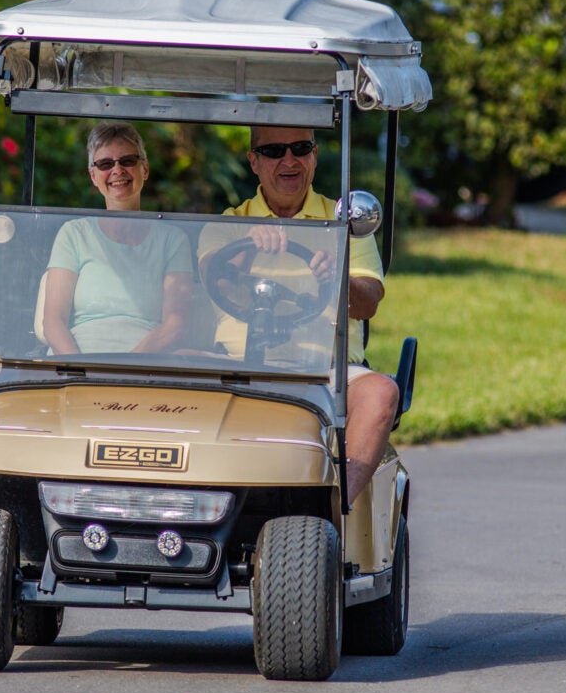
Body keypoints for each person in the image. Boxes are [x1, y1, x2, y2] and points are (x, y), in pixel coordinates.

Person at [202, 124, 400, 506]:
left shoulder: (344, 222)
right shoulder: (230, 221)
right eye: (275, 151)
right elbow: (213, 279)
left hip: (326, 366)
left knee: (381, 392)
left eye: (300, 148)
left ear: (314, 155)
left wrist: (335, 277)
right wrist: (249, 247)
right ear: (254, 162)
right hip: (235, 363)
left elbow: (369, 302)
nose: (288, 160)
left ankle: (334, 509)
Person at [41, 122, 193, 355]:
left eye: (128, 161)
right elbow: (53, 322)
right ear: (93, 176)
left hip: (145, 370)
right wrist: (81, 373)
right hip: (75, 367)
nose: (117, 170)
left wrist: (124, 370)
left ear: (145, 169)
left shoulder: (173, 240)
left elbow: (175, 325)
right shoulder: (74, 234)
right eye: (105, 164)